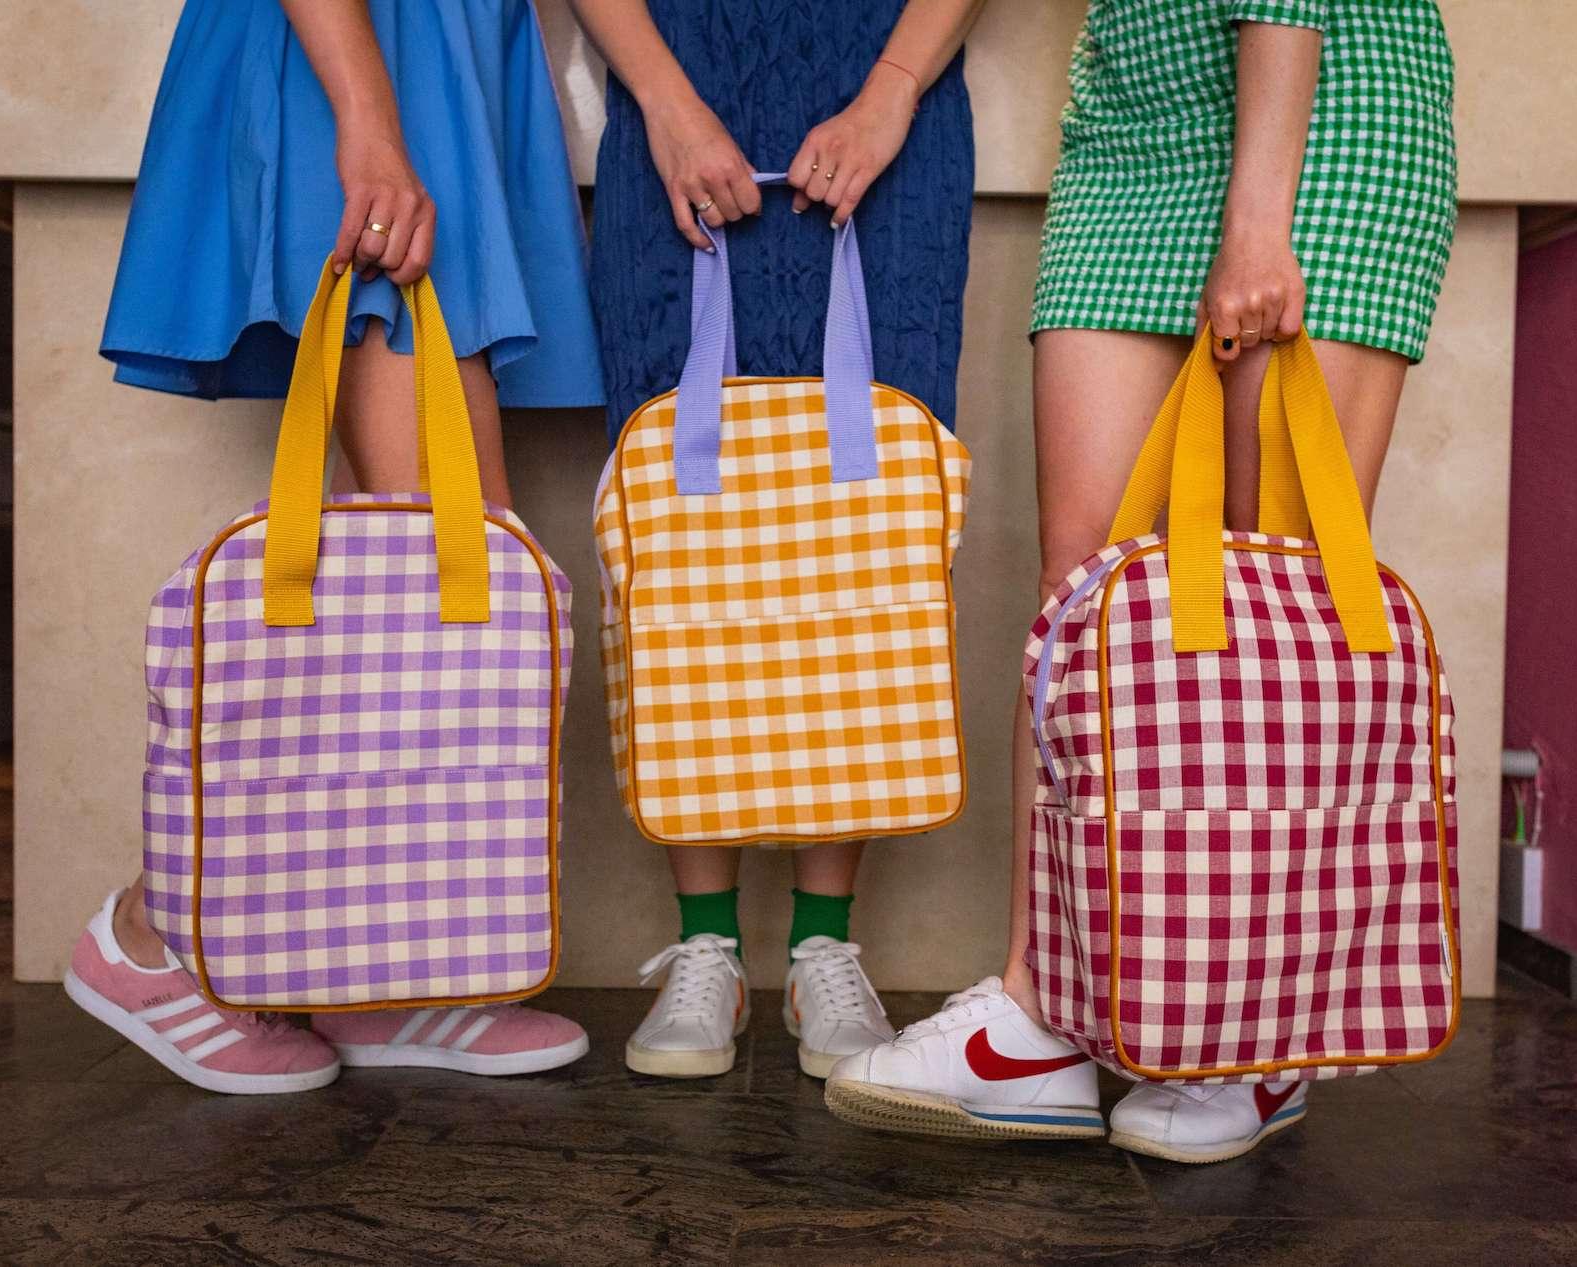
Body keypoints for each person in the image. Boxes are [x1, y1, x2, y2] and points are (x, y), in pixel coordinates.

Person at [826, 0, 1458, 1158]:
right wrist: (892, 83)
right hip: (1131, 118)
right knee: (1080, 599)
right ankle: (1046, 1015)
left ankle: (1257, 1038)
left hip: (1318, 108)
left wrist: (1258, 218)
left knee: (1270, 588)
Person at [71, 0, 603, 1094]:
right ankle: (149, 939)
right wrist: (366, 117)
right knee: (446, 564)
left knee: (396, 595)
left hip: (445, 59)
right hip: (368, 52)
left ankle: (376, 977)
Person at [571, 0, 985, 1079]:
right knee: (682, 535)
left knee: (865, 533)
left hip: (891, 98)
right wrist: (664, 102)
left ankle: (820, 949)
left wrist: (892, 91)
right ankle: (706, 943)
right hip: (674, 81)